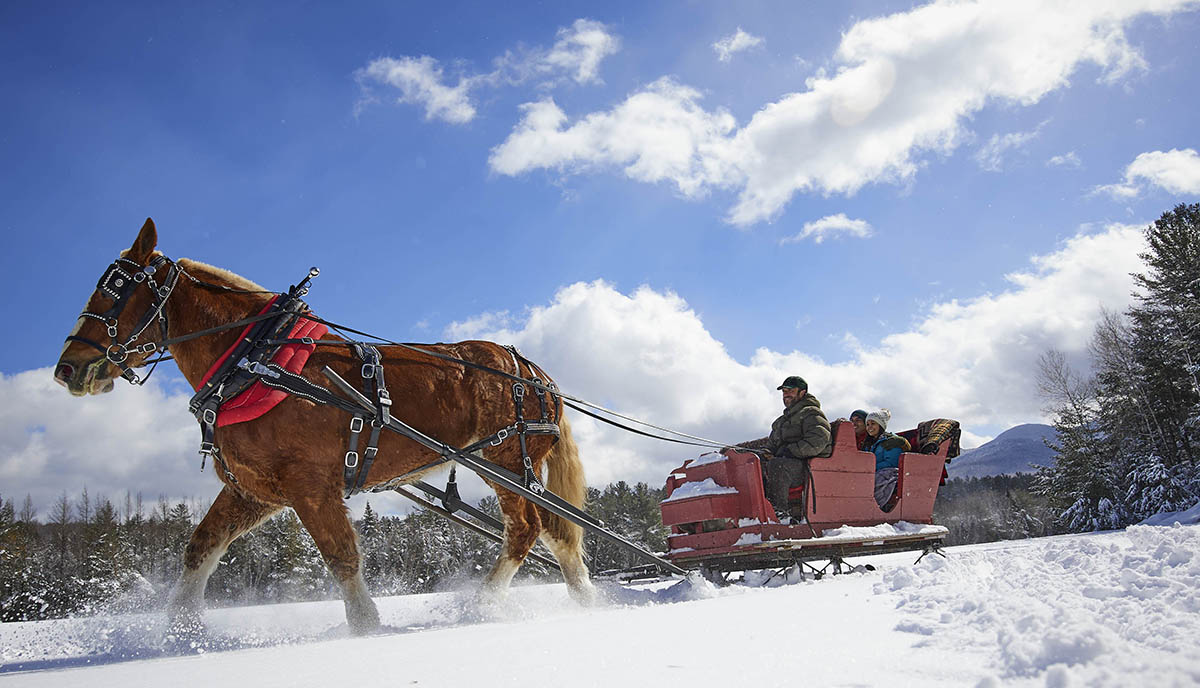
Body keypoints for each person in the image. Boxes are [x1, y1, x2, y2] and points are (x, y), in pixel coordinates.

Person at [727, 375, 832, 524]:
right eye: (784, 391)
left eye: (790, 390)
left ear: (802, 392)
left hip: (808, 468)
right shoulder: (781, 422)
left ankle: (779, 513)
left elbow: (817, 441)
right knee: (753, 466)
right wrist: (764, 453)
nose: (786, 394)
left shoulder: (812, 414)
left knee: (778, 466)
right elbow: (772, 446)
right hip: (788, 465)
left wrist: (789, 451)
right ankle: (754, 512)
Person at [863, 409, 910, 510]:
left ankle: (870, 507)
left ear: (881, 425)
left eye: (873, 423)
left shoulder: (892, 441)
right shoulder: (869, 443)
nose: (869, 427)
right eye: (867, 424)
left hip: (888, 472)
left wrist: (870, 469)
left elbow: (891, 463)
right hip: (872, 471)